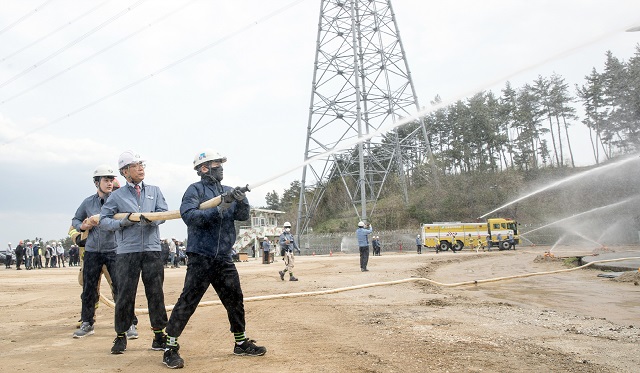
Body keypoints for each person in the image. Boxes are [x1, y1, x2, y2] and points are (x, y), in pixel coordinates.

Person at [162, 149, 266, 369]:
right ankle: (170, 346)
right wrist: (218, 209)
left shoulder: (228, 190)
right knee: (188, 301)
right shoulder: (195, 190)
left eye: (221, 164)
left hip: (223, 258)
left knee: (235, 299)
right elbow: (189, 216)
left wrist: (242, 199)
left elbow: (242, 215)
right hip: (201, 256)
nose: (221, 168)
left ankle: (240, 343)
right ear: (204, 168)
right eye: (217, 164)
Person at [101, 150, 169, 354]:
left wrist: (152, 218)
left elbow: (164, 214)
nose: (141, 168)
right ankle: (121, 336)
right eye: (135, 165)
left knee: (156, 294)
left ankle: (159, 335)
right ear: (125, 171)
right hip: (126, 252)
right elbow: (104, 221)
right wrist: (123, 222)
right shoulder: (116, 196)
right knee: (124, 294)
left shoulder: (154, 191)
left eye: (142, 164)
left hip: (151, 250)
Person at [72, 165, 133, 339]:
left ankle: (128, 324)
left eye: (111, 179)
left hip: (114, 251)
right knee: (89, 289)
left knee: (120, 288)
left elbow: (128, 218)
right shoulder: (88, 203)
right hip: (92, 251)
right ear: (96, 182)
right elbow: (76, 219)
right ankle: (87, 323)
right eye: (106, 180)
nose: (109, 183)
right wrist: (82, 226)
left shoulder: (119, 200)